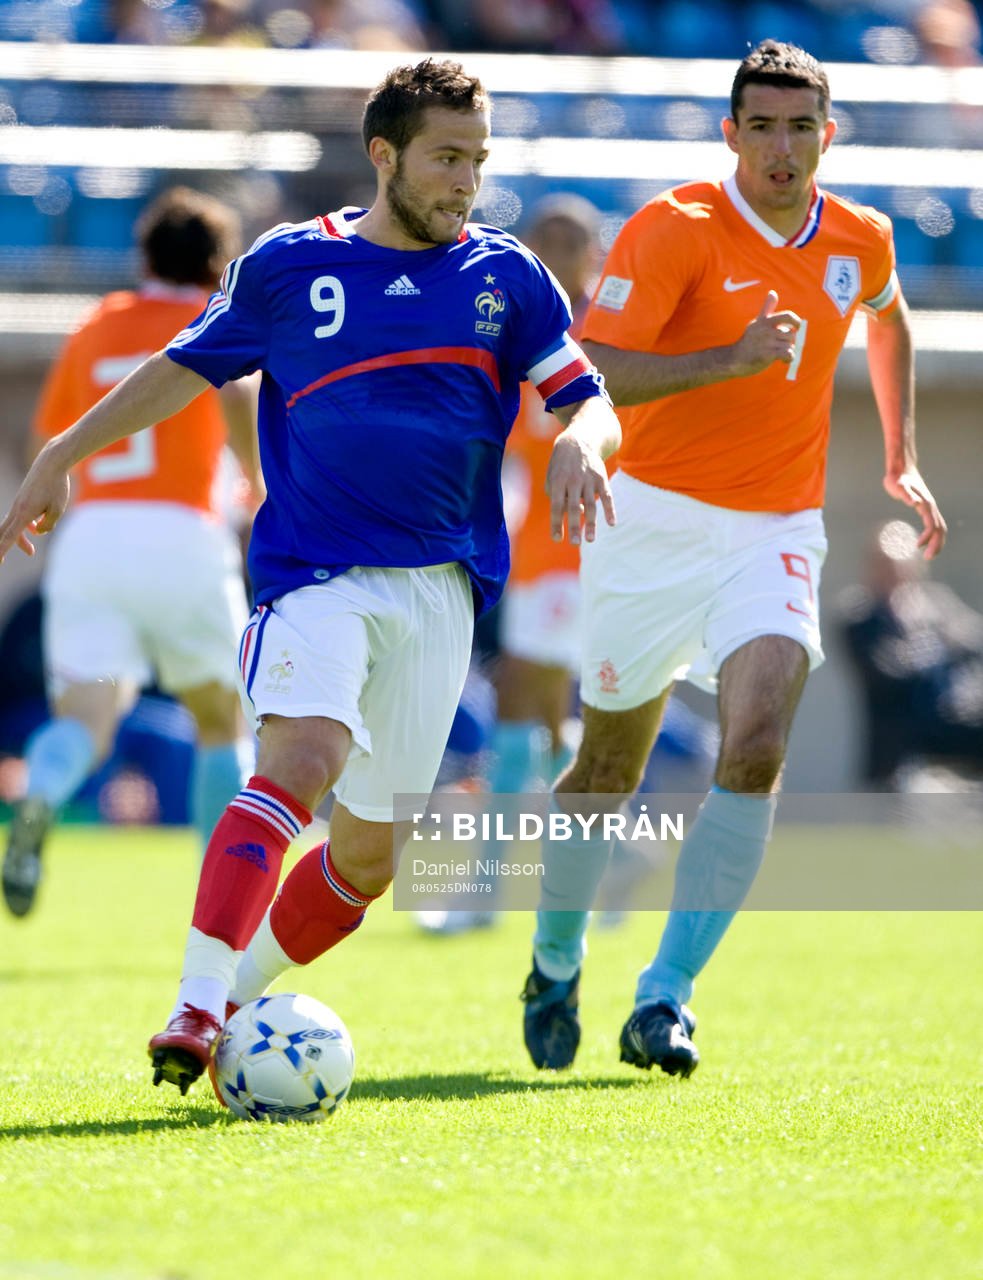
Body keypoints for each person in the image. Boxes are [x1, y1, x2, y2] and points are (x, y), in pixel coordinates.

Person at [0, 58, 619, 1095]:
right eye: (443, 158)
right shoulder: (289, 266)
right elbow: (180, 369)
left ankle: (235, 993)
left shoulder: (506, 277)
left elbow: (583, 393)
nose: (464, 181)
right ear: (384, 156)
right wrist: (61, 451)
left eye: (477, 159)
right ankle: (195, 1005)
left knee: (367, 863)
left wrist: (584, 440)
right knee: (300, 757)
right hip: (315, 571)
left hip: (439, 592)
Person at [520, 40, 946, 1076]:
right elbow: (595, 371)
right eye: (760, 126)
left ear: (825, 134)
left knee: (754, 741)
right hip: (647, 520)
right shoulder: (673, 227)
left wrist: (899, 455)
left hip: (775, 529)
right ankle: (553, 957)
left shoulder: (859, 235)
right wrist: (730, 358)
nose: (780, 146)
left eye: (800, 126)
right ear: (730, 134)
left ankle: (663, 995)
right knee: (605, 767)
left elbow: (887, 323)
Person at [2, 186, 262, 919]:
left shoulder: (96, 325)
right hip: (182, 531)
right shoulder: (210, 316)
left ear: (144, 255)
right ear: (218, 263)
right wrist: (257, 482)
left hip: (93, 537)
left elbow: (44, 444)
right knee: (220, 720)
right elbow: (238, 396)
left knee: (86, 713)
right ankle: (220, 899)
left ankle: (42, 794)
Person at [417, 193, 604, 937]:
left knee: (524, 713)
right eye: (544, 239)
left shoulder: (597, 334)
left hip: (575, 550)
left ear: (593, 255)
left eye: (569, 240)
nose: (554, 253)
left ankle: (487, 891)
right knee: (556, 723)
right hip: (544, 549)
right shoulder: (527, 330)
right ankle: (609, 859)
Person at [838, 519, 983, 788]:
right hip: (903, 741)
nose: (893, 577)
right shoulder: (860, 616)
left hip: (955, 726)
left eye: (899, 567)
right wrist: (935, 647)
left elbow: (973, 643)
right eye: (884, 567)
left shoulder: (936, 605)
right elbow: (889, 674)